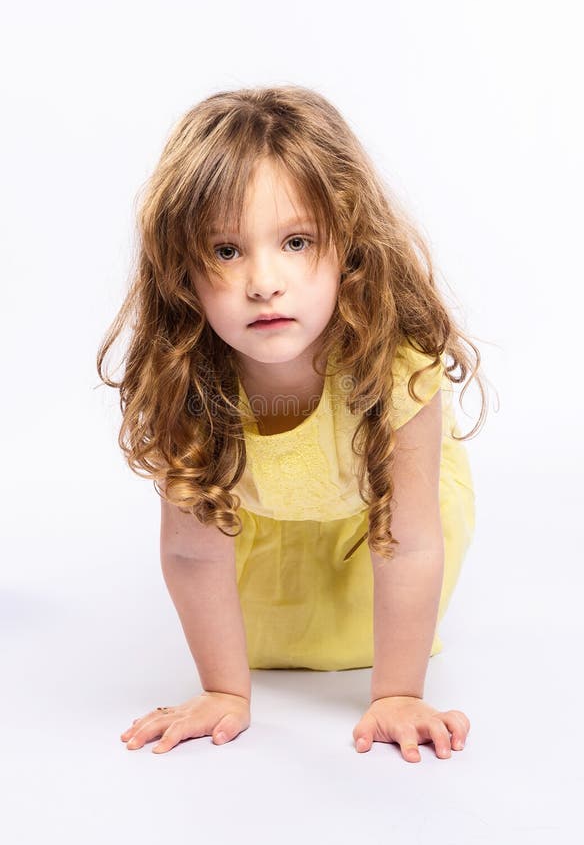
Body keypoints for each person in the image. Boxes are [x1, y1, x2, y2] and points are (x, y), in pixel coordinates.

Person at [97, 85, 491, 762]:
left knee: (355, 631)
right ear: (182, 275)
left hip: (380, 533)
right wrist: (225, 691)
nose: (263, 281)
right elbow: (193, 551)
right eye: (225, 251)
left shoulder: (394, 371)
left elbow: (410, 541)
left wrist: (394, 693)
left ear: (350, 248)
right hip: (264, 533)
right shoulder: (184, 380)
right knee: (268, 642)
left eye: (296, 241)